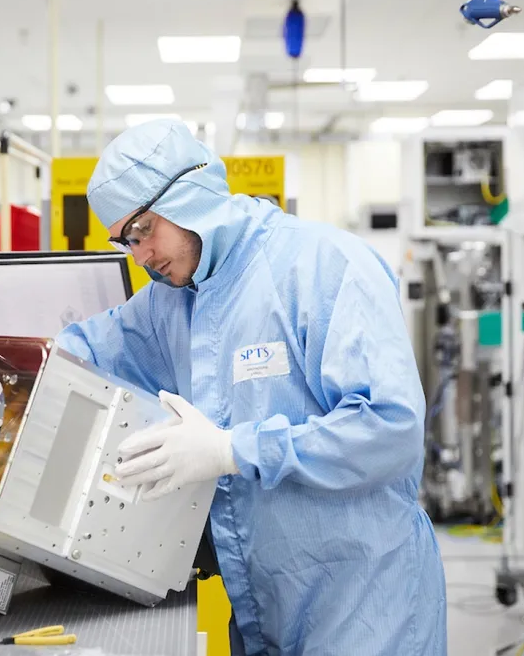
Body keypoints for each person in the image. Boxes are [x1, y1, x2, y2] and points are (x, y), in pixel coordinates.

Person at [56, 119, 447, 656]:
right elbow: (87, 348)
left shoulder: (324, 266)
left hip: (365, 609)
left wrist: (231, 450)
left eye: (143, 230)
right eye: (125, 239)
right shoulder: (172, 299)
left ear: (188, 193)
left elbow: (389, 427)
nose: (139, 255)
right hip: (263, 612)